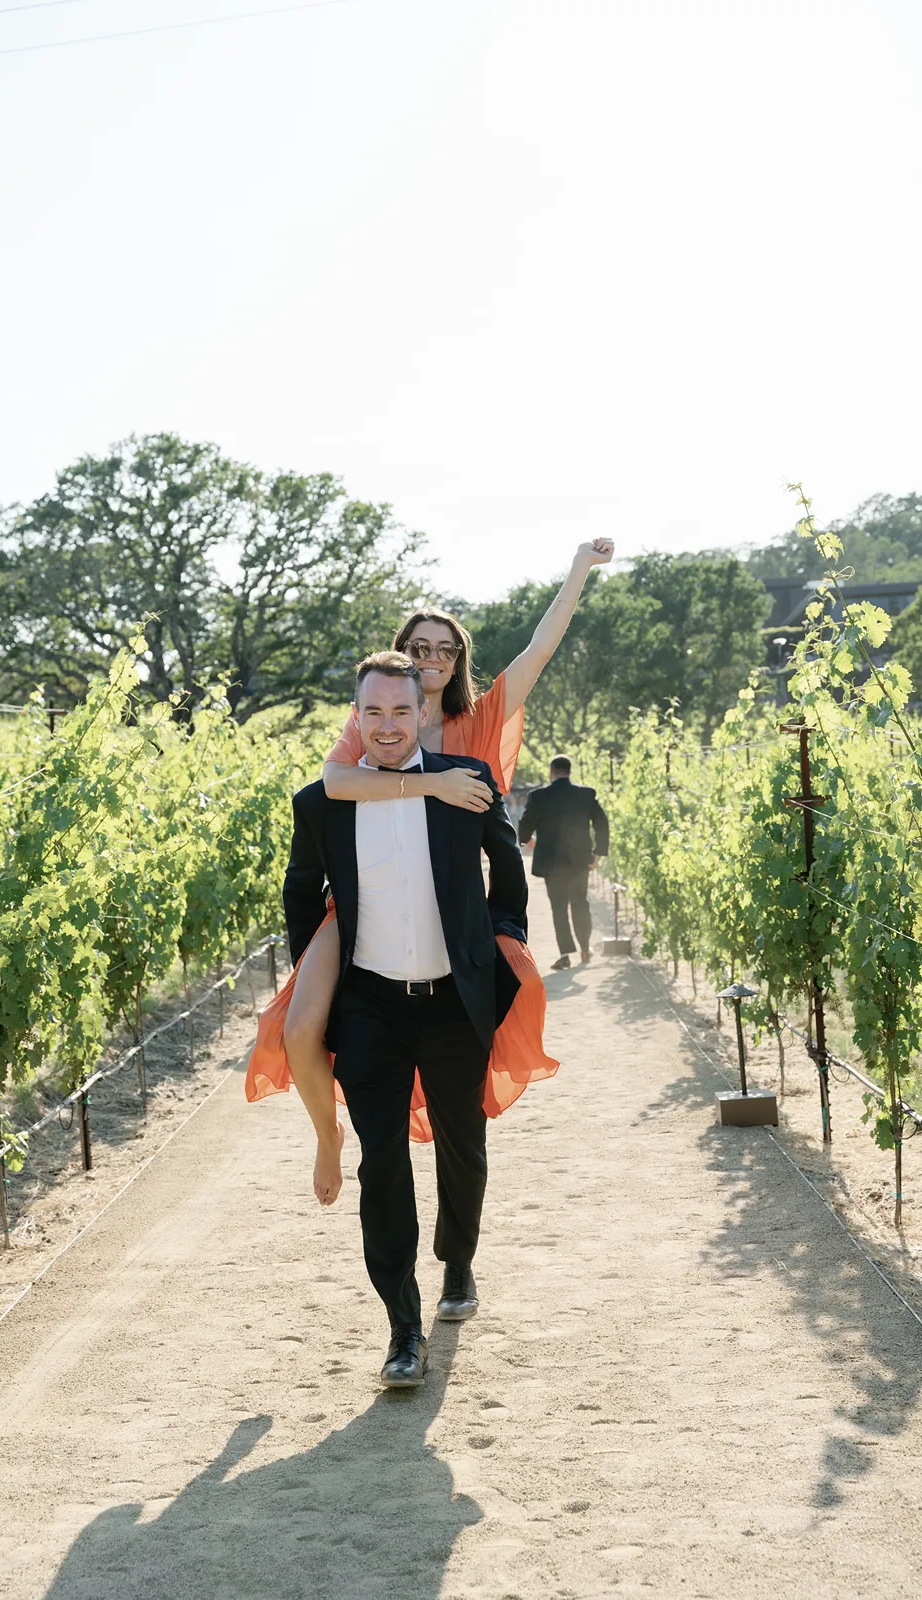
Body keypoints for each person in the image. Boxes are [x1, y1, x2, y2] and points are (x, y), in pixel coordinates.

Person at [246, 539, 615, 1204]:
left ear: (458, 659)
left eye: (445, 648)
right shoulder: (378, 716)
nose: (432, 658)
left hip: (451, 899)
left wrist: (577, 570)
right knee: (298, 1027)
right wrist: (429, 788)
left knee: (509, 989)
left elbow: (539, 648)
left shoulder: (480, 718)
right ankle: (329, 1138)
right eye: (419, 648)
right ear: (401, 659)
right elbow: (331, 782)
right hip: (366, 898)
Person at [282, 652, 528, 1387]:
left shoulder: (466, 785)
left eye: (400, 711)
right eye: (372, 713)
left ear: (423, 711)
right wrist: (316, 982)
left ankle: (458, 1263)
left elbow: (507, 871)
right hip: (370, 1007)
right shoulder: (321, 803)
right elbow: (301, 889)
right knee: (380, 1163)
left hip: (454, 1002)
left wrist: (499, 954)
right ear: (354, 718)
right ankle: (402, 1328)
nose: (387, 726)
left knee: (463, 1145)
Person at [518, 755, 609, 970]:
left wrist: (527, 840)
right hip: (579, 861)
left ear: (552, 772)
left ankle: (566, 954)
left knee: (558, 908)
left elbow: (525, 825)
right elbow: (602, 823)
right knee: (580, 903)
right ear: (569, 771)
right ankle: (585, 949)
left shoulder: (539, 797)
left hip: (552, 864)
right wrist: (598, 852)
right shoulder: (585, 794)